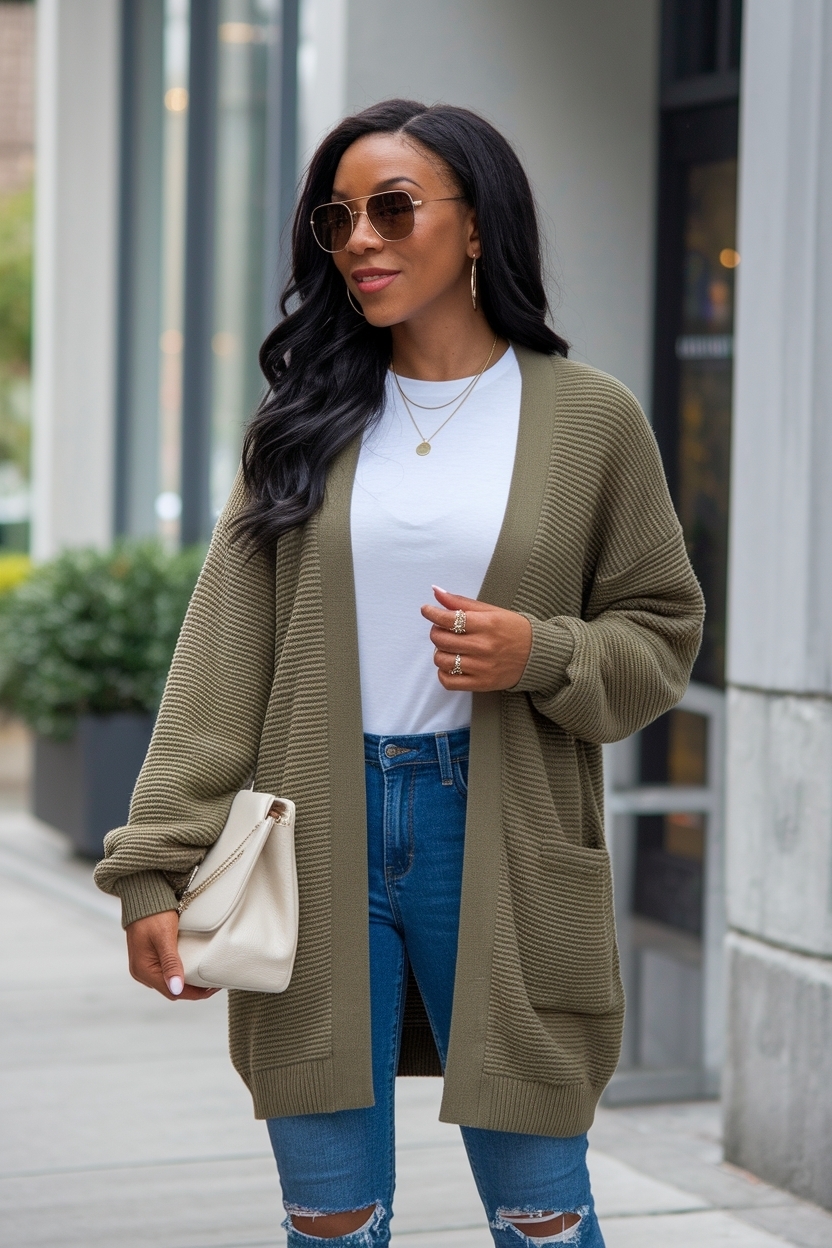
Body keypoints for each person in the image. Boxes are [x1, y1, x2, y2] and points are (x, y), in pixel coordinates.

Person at [95, 99, 704, 1247]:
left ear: (475, 226)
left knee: (539, 1209)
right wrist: (152, 871)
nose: (359, 240)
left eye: (392, 209)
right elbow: (221, 661)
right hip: (312, 833)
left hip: (500, 831)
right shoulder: (305, 421)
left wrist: (541, 652)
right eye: (337, 219)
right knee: (329, 1216)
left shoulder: (588, 420)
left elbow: (661, 632)